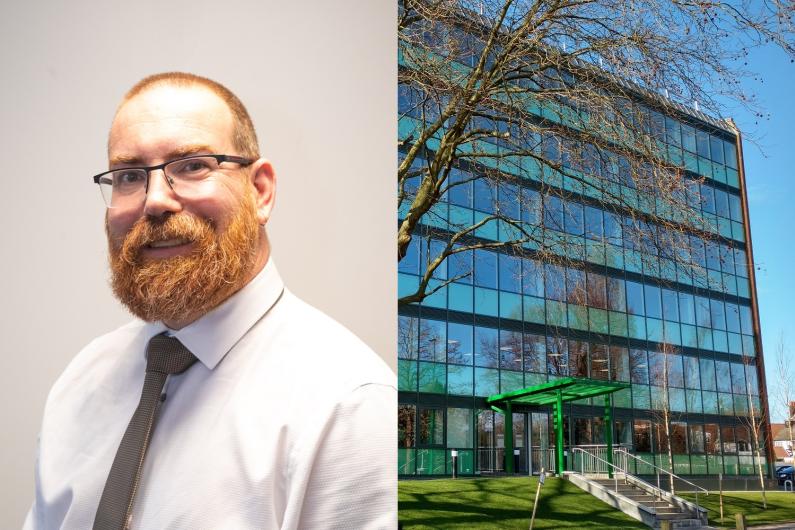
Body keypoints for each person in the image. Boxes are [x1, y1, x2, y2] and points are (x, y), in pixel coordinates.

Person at [24, 72, 396, 530]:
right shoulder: (80, 381)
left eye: (193, 165)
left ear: (260, 191)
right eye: (128, 176)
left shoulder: (348, 408)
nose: (155, 200)